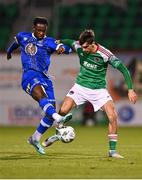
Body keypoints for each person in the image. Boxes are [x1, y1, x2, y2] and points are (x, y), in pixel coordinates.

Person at [42, 29, 137, 158]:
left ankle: (112, 151)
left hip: (99, 90)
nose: (83, 50)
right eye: (82, 47)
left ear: (92, 43)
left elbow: (124, 70)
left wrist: (130, 90)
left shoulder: (105, 54)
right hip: (80, 87)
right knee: (63, 110)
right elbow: (70, 42)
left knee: (113, 116)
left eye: (86, 47)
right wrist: (59, 41)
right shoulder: (80, 46)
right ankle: (59, 132)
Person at [6, 16, 72, 155]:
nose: (41, 33)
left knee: (50, 111)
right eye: (39, 30)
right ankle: (58, 118)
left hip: (45, 78)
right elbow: (16, 43)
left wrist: (62, 48)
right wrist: (9, 51)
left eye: (44, 31)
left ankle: (35, 138)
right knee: (42, 97)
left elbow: (63, 47)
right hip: (29, 76)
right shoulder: (23, 37)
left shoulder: (49, 42)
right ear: (34, 28)